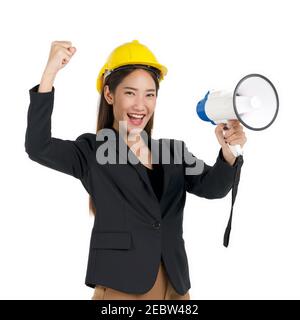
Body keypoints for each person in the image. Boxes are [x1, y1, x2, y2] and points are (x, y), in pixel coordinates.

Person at [25, 39, 246, 300]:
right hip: (122, 286)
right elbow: (38, 147)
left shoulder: (172, 151)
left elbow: (214, 187)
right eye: (130, 92)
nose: (141, 105)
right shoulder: (93, 152)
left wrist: (228, 152)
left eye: (149, 94)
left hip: (176, 287)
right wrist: (50, 73)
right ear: (109, 95)